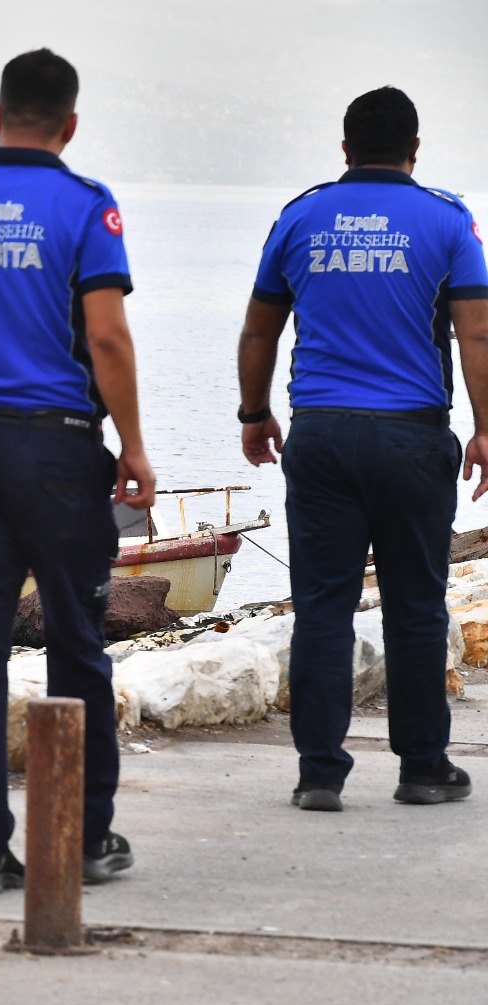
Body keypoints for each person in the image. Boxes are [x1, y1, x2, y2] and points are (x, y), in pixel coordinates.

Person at [0, 48, 157, 894]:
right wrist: (135, 447)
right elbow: (109, 338)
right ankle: (84, 837)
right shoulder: (85, 207)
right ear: (70, 125)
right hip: (56, 449)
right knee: (78, 641)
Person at [237, 86, 488, 812]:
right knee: (415, 604)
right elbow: (476, 332)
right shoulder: (447, 221)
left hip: (318, 436)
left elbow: (260, 330)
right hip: (411, 438)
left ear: (345, 149)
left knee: (322, 605)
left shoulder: (301, 216)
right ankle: (422, 768)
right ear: (415, 150)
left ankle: (319, 772)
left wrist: (255, 413)